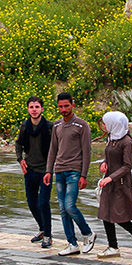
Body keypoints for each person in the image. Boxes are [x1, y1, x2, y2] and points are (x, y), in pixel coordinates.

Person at [43, 92, 96, 256]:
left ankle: (88, 233)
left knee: (69, 205)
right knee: (62, 209)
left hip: (74, 171)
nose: (63, 109)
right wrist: (48, 171)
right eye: (60, 106)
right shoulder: (57, 126)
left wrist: (84, 175)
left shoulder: (82, 125)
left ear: (73, 105)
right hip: (59, 171)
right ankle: (72, 243)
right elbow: (53, 150)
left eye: (66, 106)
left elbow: (87, 152)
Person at [95, 111, 132, 258]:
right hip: (108, 181)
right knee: (105, 213)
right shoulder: (111, 138)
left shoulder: (126, 142)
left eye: (105, 123)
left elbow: (127, 166)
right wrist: (104, 163)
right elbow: (110, 156)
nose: (103, 126)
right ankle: (113, 246)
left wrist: (111, 178)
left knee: (118, 214)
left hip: (120, 183)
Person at [16, 96, 54, 248]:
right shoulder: (25, 126)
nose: (34, 110)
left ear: (42, 109)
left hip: (45, 171)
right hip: (30, 170)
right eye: (31, 107)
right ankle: (43, 229)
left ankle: (48, 236)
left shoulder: (50, 127)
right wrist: (20, 160)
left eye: (37, 107)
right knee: (32, 203)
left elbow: (55, 148)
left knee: (44, 203)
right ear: (28, 109)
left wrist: (50, 169)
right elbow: (18, 143)